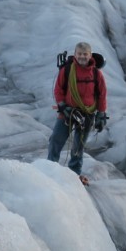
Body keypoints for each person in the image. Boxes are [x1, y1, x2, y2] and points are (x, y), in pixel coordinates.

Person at [47, 42, 107, 186]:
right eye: (79, 54)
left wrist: (101, 114)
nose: (82, 57)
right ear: (75, 54)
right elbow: (58, 90)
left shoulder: (96, 73)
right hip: (68, 112)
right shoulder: (67, 70)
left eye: (85, 54)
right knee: (56, 139)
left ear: (90, 55)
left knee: (78, 147)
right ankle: (49, 170)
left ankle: (74, 175)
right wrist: (63, 106)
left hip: (87, 114)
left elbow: (102, 95)